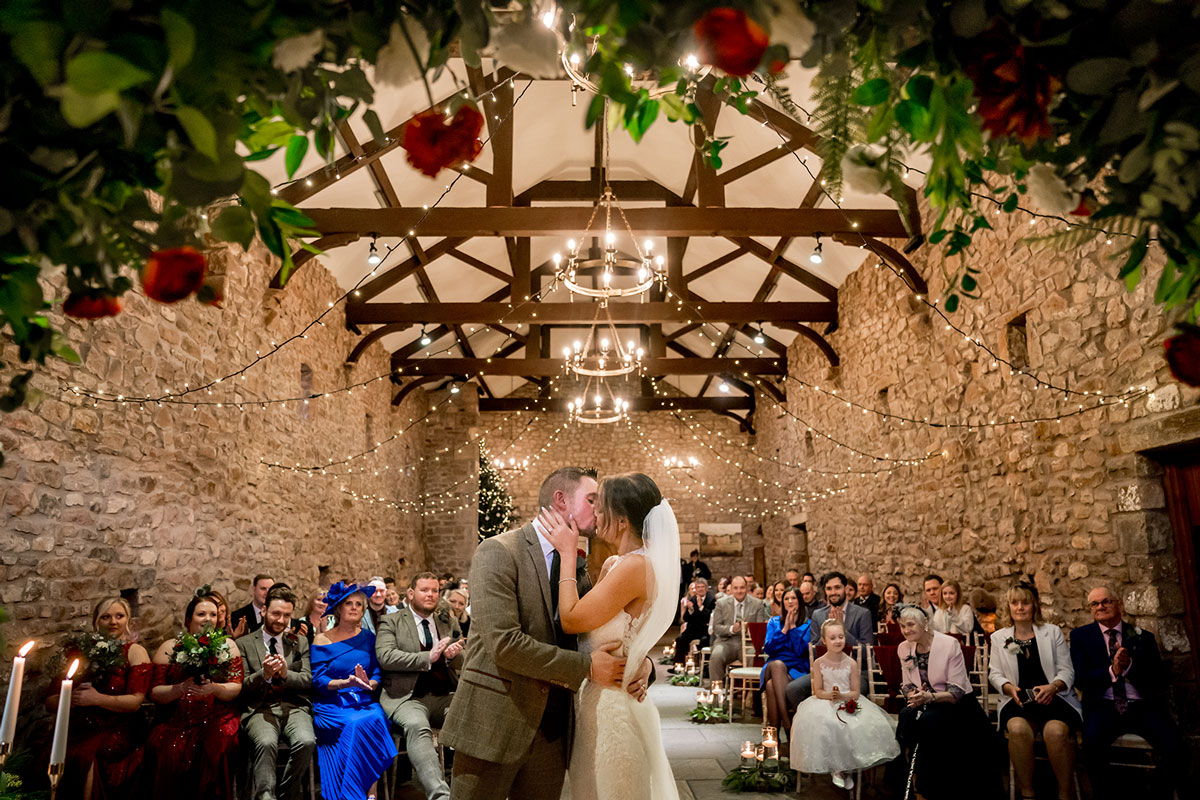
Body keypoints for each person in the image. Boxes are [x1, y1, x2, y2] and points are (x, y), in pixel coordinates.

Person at [441, 466, 641, 800]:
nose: (600, 509)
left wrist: (642, 664)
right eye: (592, 499)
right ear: (560, 500)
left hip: (553, 732)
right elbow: (504, 644)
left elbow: (603, 631)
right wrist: (587, 667)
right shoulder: (499, 551)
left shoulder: (576, 565)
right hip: (495, 720)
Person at [542, 471, 679, 799]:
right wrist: (643, 662)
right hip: (599, 698)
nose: (596, 515)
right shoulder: (620, 564)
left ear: (620, 521)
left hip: (613, 707)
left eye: (601, 508)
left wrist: (566, 553)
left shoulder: (635, 567)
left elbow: (573, 620)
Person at [1070, 586, 1186, 800]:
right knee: (1091, 746)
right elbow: (1081, 680)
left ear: (1119, 604)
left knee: (1174, 745)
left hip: (1141, 706)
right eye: (1094, 604)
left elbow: (1157, 680)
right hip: (1103, 706)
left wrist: (1130, 665)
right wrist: (1112, 670)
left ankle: (1156, 793)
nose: (1100, 607)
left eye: (1106, 601)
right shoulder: (1080, 637)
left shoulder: (1142, 637)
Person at [46, 597, 151, 800]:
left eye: (119, 616)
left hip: (117, 726)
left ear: (127, 620)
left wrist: (96, 699)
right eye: (106, 617)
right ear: (96, 622)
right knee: (52, 751)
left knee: (87, 757)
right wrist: (72, 699)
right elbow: (50, 702)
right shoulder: (81, 652)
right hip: (78, 726)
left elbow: (136, 702)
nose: (113, 621)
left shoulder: (135, 652)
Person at [895, 605, 999, 800]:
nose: (906, 630)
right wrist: (914, 695)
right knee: (905, 715)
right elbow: (907, 684)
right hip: (925, 701)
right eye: (902, 626)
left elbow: (957, 691)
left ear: (925, 623)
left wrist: (930, 697)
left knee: (929, 721)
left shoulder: (949, 644)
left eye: (910, 625)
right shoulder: (904, 648)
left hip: (956, 704)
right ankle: (910, 774)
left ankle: (930, 786)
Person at [376, 572, 465, 800]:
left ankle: (473, 791)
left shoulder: (447, 620)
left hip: (444, 695)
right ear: (411, 594)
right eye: (425, 590)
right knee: (417, 726)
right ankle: (440, 796)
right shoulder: (391, 621)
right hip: (406, 698)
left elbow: (465, 656)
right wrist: (428, 657)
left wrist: (453, 656)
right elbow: (385, 656)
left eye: (435, 590)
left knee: (474, 714)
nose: (431, 595)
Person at [146, 593, 244, 799]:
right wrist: (180, 688)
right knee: (168, 748)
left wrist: (214, 689)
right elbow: (154, 692)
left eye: (213, 614)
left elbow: (235, 687)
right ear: (188, 619)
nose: (208, 619)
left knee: (217, 746)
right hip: (176, 717)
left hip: (216, 716)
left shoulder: (229, 646)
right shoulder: (169, 647)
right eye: (201, 614)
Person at [988, 582, 1080, 800]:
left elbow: (1067, 671)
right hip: (1019, 700)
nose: (1020, 607)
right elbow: (994, 673)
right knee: (1018, 730)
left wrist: (1053, 686)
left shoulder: (1052, 632)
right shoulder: (1000, 637)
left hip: (1053, 698)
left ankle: (1065, 793)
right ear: (1009, 607)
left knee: (1055, 733)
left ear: (1034, 606)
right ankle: (1027, 792)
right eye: (1015, 603)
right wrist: (1009, 688)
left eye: (1025, 603)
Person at [310, 581, 397, 800]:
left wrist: (369, 684)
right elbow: (318, 681)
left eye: (359, 604)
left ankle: (371, 792)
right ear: (338, 608)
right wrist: (346, 683)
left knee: (375, 718)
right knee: (355, 724)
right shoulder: (321, 639)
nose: (354, 607)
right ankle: (360, 792)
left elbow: (377, 674)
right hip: (332, 704)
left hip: (364, 700)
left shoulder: (369, 637)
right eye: (349, 603)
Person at [791, 619, 899, 790]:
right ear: (824, 641)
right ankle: (837, 769)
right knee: (830, 724)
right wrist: (830, 695)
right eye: (832, 638)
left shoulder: (851, 663)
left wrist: (841, 696)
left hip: (848, 701)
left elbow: (856, 692)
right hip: (825, 702)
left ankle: (846, 769)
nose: (838, 641)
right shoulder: (819, 663)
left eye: (841, 636)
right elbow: (817, 691)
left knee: (854, 726)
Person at [237, 584, 315, 800]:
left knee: (307, 741)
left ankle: (286, 795)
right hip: (260, 708)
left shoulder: (299, 643)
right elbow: (241, 686)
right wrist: (263, 674)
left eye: (287, 616)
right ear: (263, 611)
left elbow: (308, 680)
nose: (281, 620)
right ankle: (265, 796)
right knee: (266, 742)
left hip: (294, 707)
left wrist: (284, 673)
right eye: (276, 614)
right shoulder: (243, 644)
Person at [762, 587, 812, 739]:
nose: (790, 602)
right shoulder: (774, 622)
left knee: (771, 686)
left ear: (800, 601)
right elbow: (769, 649)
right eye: (786, 599)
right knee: (778, 665)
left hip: (797, 667)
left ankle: (773, 739)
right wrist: (784, 630)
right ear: (782, 603)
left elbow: (801, 651)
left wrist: (794, 629)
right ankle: (787, 722)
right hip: (773, 665)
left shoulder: (808, 624)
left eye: (793, 598)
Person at [708, 576, 769, 687]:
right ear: (731, 589)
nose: (739, 591)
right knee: (716, 656)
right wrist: (731, 629)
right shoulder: (721, 603)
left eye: (742, 588)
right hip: (726, 642)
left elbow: (760, 628)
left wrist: (748, 629)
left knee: (756, 658)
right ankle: (716, 693)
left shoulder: (757, 604)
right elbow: (716, 627)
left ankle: (753, 695)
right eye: (736, 588)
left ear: (747, 588)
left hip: (748, 643)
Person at [808, 572, 875, 650]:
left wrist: (842, 631)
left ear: (845, 588)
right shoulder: (817, 615)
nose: (833, 592)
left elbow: (867, 652)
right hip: (826, 662)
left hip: (853, 661)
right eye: (829, 588)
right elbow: (813, 653)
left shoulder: (862, 614)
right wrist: (827, 632)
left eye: (837, 587)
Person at [673, 577, 715, 666]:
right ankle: (679, 665)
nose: (700, 589)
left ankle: (705, 667)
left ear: (706, 588)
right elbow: (686, 619)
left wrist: (700, 607)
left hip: (705, 629)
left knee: (705, 640)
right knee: (680, 640)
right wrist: (690, 610)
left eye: (702, 587)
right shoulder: (692, 599)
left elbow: (709, 617)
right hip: (693, 629)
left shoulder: (711, 599)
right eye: (698, 587)